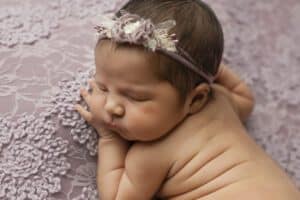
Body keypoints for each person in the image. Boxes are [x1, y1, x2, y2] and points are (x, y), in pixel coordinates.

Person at [75, 0, 300, 199]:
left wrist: (108, 137)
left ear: (196, 99)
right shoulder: (221, 101)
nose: (111, 107)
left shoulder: (150, 153)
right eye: (103, 87)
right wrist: (202, 68)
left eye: (136, 97)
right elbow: (245, 98)